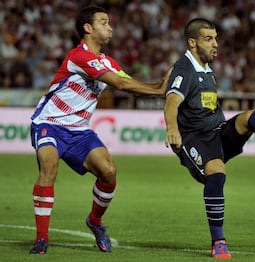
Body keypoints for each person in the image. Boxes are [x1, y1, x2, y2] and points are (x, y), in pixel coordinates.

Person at [163, 18, 255, 259]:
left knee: (252, 116)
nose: (215, 44)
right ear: (192, 43)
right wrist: (172, 128)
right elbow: (172, 101)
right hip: (193, 140)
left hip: (217, 132)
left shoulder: (206, 69)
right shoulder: (185, 69)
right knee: (216, 172)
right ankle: (218, 241)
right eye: (208, 39)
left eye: (215, 38)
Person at [29, 5, 171, 255]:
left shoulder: (108, 62)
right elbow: (120, 84)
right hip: (49, 124)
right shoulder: (79, 57)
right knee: (49, 166)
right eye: (104, 22)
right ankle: (41, 239)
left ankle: (95, 221)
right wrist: (158, 89)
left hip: (79, 131)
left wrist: (160, 85)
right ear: (88, 28)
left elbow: (128, 81)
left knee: (109, 171)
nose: (110, 27)